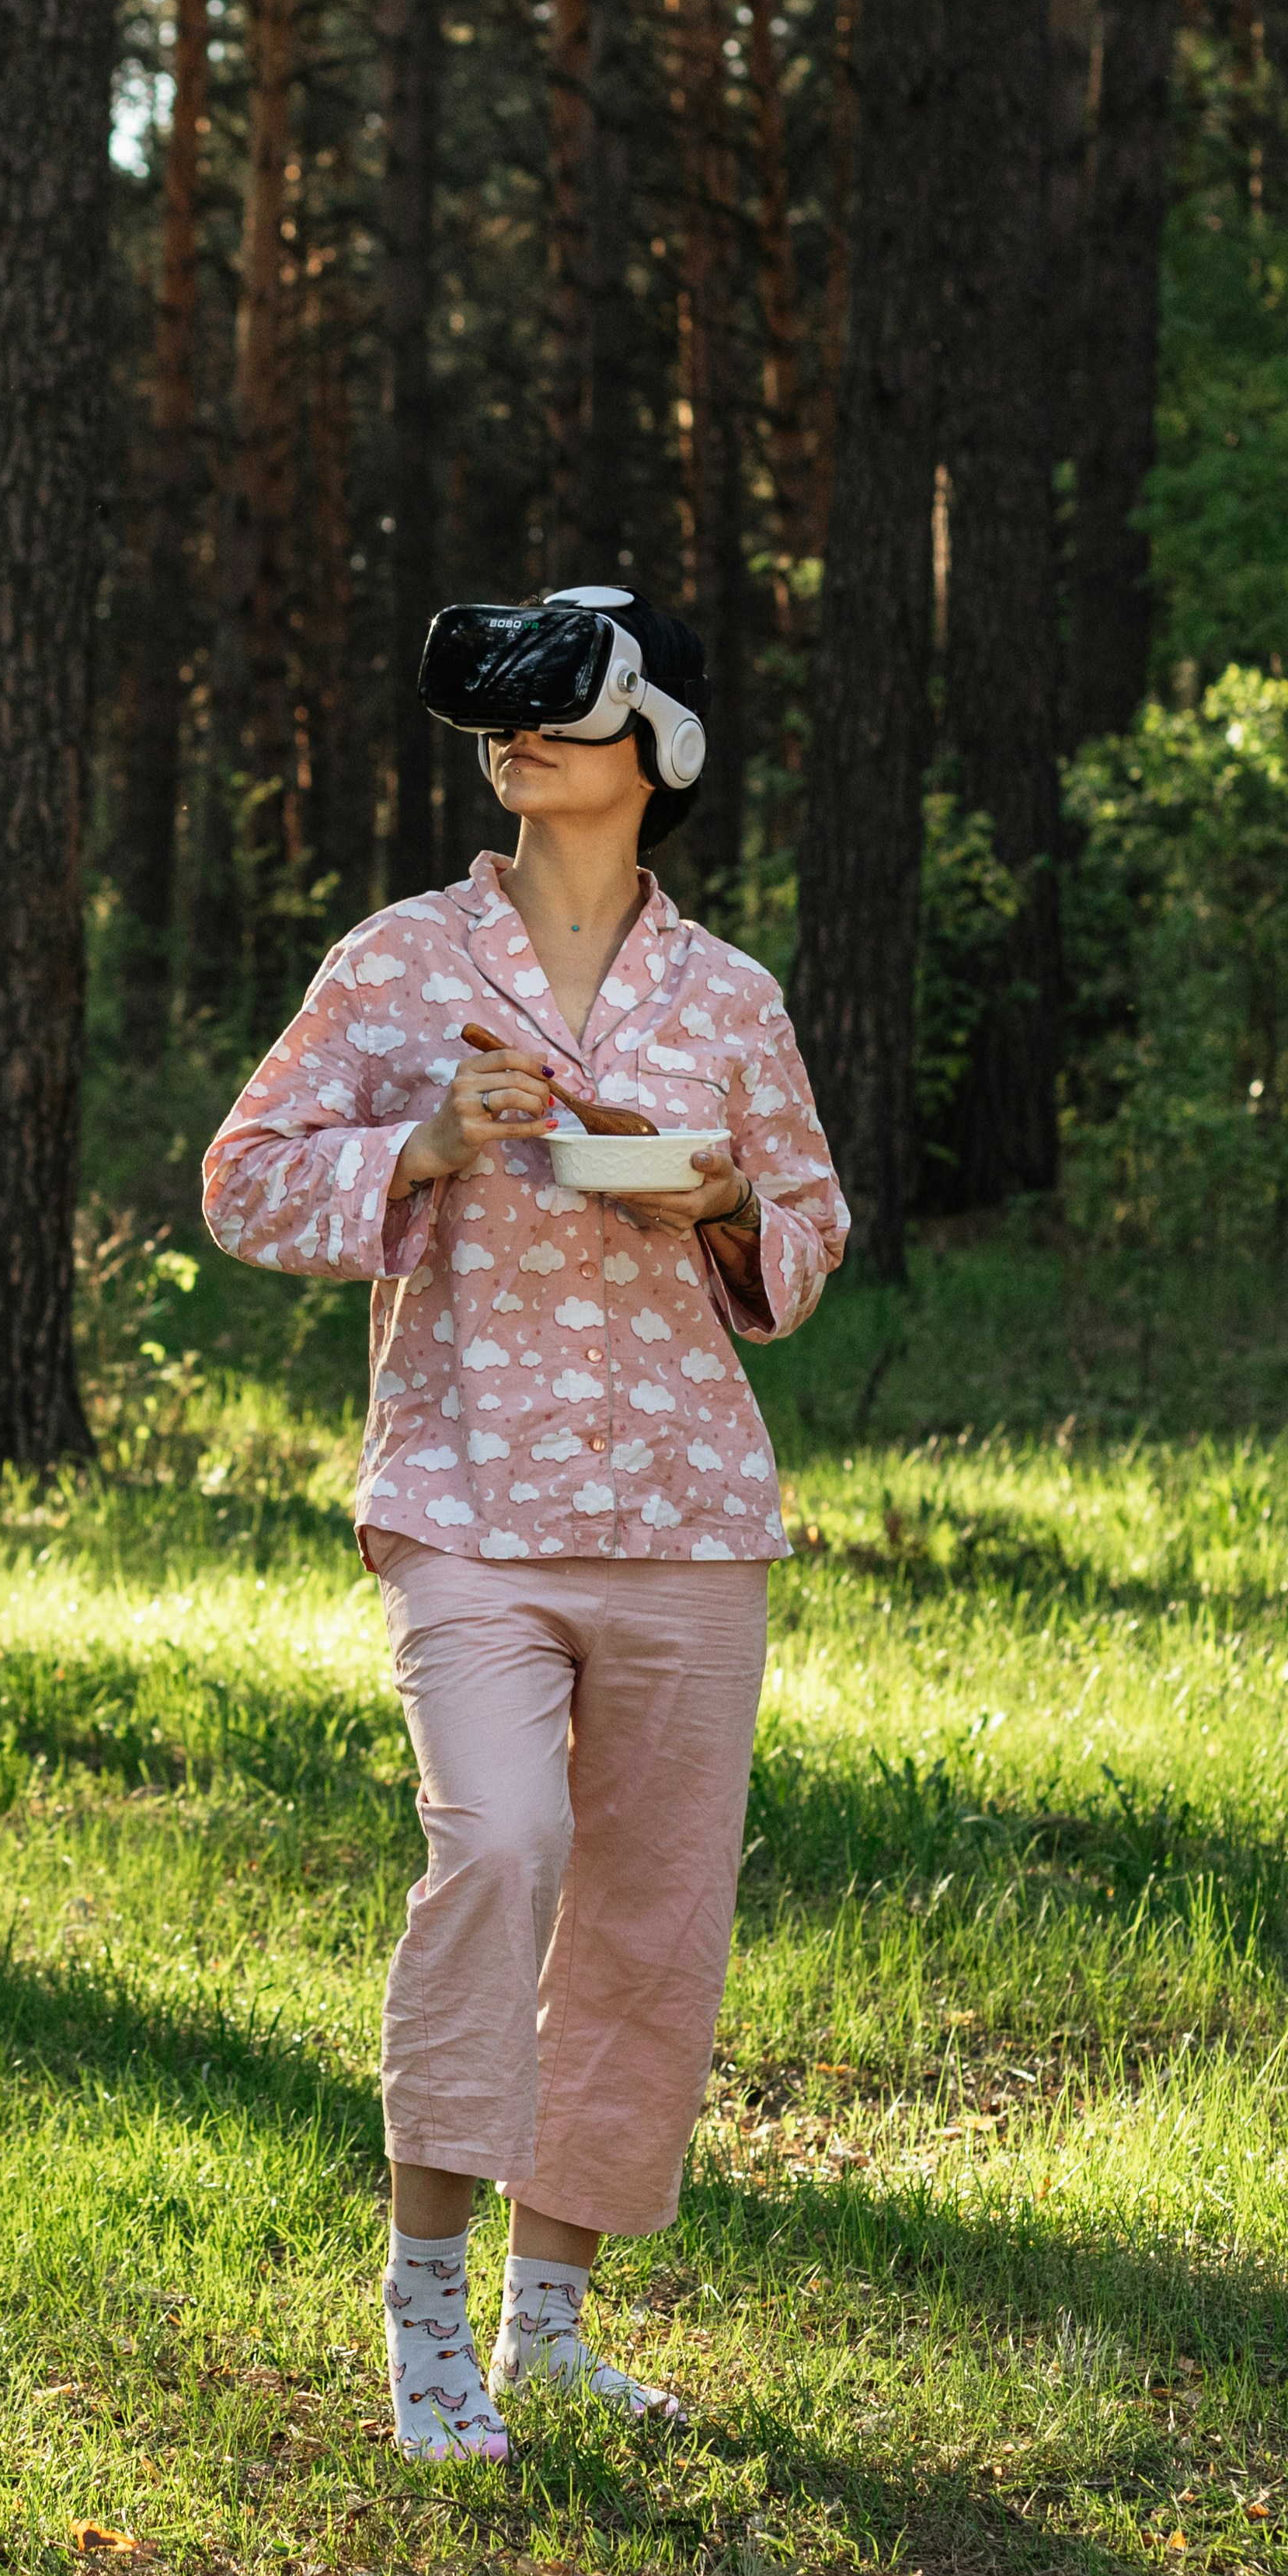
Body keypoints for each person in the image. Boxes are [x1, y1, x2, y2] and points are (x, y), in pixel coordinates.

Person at [200, 587, 848, 2463]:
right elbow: (243, 1181)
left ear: (662, 749)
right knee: (500, 1841)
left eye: (568, 709)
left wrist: (718, 1196)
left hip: (689, 1518)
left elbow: (804, 1242)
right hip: (465, 1496)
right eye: (506, 715)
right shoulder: (400, 963)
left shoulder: (733, 998)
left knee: (650, 1926)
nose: (524, 738)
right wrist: (415, 1143)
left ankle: (550, 2326)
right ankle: (422, 2323)